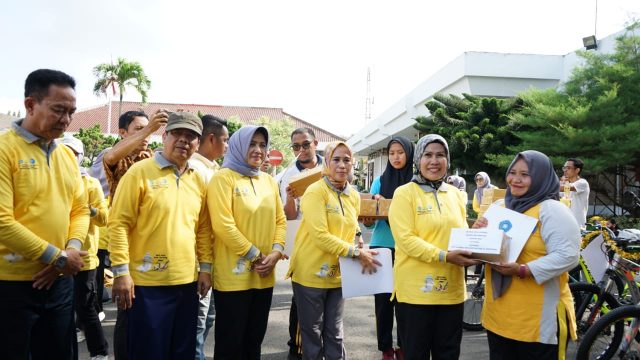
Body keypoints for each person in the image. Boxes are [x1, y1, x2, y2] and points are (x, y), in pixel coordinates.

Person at [0, 69, 89, 359]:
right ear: (30, 105)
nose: (66, 120)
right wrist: (57, 257)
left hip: (60, 281)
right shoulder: (5, 150)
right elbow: (3, 223)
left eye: (71, 112)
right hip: (12, 285)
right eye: (58, 110)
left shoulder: (66, 156)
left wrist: (69, 254)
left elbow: (80, 209)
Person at [109, 112, 213, 359]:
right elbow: (119, 223)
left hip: (187, 283)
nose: (183, 141)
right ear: (164, 136)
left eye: (191, 136)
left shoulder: (197, 178)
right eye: (177, 133)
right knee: (148, 352)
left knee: (181, 351)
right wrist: (121, 272)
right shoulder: (140, 172)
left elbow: (203, 228)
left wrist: (206, 267)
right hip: (146, 285)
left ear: (198, 143)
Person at [474, 150, 580, 360]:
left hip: (537, 323)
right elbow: (486, 250)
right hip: (500, 318)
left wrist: (524, 269)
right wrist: (478, 235)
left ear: (540, 177)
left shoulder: (552, 211)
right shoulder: (499, 206)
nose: (516, 179)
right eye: (512, 172)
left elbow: (568, 256)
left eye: (525, 174)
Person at [287, 141, 381, 360]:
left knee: (335, 333)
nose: (341, 165)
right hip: (310, 275)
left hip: (339, 274)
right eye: (336, 159)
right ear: (326, 163)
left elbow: (354, 226)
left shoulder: (353, 195)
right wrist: (356, 253)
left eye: (347, 160)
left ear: (353, 164)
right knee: (312, 335)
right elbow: (320, 236)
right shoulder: (315, 191)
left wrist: (358, 240)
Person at [388, 134, 478, 359]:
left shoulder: (457, 195)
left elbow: (459, 234)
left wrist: (478, 235)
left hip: (452, 293)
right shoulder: (404, 194)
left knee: (448, 354)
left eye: (441, 155)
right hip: (416, 294)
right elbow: (406, 240)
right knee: (415, 354)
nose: (434, 161)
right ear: (418, 159)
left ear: (448, 160)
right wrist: (444, 256)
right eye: (428, 155)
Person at [88, 109, 168, 359]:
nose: (147, 134)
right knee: (128, 312)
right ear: (122, 132)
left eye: (150, 128)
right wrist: (150, 129)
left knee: (150, 315)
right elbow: (111, 157)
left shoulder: (152, 157)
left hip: (155, 244)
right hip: (126, 246)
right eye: (139, 129)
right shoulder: (113, 156)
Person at [208, 125, 287, 360]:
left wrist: (276, 252)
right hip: (233, 277)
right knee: (230, 343)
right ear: (239, 146)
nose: (258, 150)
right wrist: (256, 256)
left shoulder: (269, 181)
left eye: (262, 145)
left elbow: (280, 220)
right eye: (252, 144)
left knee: (254, 341)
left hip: (264, 275)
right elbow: (223, 225)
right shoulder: (223, 178)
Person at [362, 136, 414, 360]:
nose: (395, 157)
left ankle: (403, 347)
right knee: (383, 304)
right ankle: (385, 348)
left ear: (410, 154)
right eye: (392, 153)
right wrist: (367, 218)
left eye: (400, 152)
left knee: (405, 301)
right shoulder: (379, 183)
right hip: (382, 247)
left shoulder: (415, 183)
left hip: (408, 249)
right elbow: (370, 222)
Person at [276, 127, 324, 359]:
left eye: (305, 144)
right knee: (301, 299)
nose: (301, 150)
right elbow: (289, 215)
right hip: (303, 243)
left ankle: (325, 345)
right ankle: (296, 347)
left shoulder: (330, 166)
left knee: (330, 299)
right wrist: (292, 197)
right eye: (296, 146)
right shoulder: (288, 174)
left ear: (315, 143)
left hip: (330, 243)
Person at [61, 136, 110, 359]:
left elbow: (104, 218)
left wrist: (88, 210)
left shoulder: (90, 183)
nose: (68, 157)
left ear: (80, 157)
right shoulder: (54, 180)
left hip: (84, 257)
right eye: (65, 152)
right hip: (55, 257)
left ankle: (99, 352)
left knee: (86, 308)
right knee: (61, 311)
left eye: (73, 153)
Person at [191, 115, 229, 360]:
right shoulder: (195, 170)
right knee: (198, 321)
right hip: (199, 261)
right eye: (224, 140)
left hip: (214, 259)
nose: (226, 146)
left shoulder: (214, 169)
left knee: (208, 318)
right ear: (212, 138)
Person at [559, 158, 590, 228]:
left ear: (577, 170)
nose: (565, 170)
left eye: (568, 168)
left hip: (578, 225)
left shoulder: (582, 183)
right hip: (564, 224)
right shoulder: (566, 184)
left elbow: (560, 188)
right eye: (564, 168)